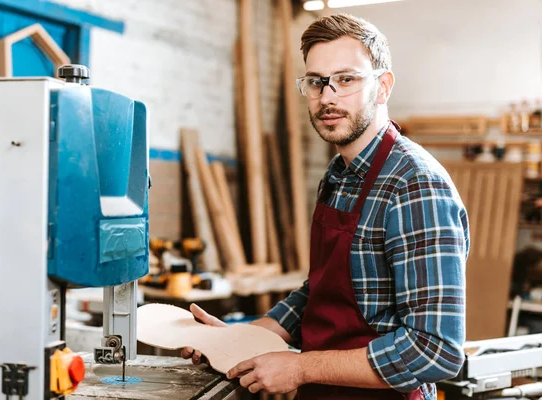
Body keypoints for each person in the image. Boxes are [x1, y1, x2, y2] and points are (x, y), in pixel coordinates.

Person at [182, 13, 469, 399]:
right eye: (317, 82)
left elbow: (435, 350)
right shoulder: (339, 174)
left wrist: (300, 367)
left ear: (383, 87)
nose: (328, 96)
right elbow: (322, 292)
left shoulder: (414, 185)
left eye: (346, 79)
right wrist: (241, 339)